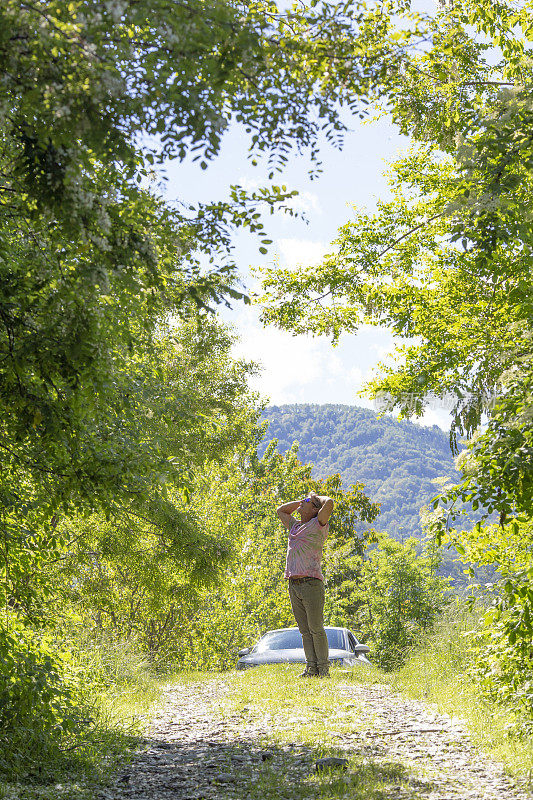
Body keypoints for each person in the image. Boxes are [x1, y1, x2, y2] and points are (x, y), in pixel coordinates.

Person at [276, 493, 334, 677]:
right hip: (294, 583)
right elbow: (281, 511)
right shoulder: (295, 526)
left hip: (311, 583)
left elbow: (330, 503)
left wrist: (315, 497)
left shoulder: (318, 524)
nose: (302, 503)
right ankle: (311, 668)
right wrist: (303, 502)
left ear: (316, 509)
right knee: (304, 631)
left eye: (307, 502)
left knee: (316, 628)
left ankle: (323, 668)